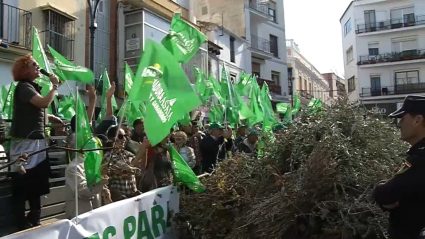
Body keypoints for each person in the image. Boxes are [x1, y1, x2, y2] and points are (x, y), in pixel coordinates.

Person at [9, 54, 64, 230]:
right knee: (24, 184)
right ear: (25, 70)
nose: (38, 67)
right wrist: (55, 86)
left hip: (36, 143)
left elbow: (38, 110)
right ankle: (20, 224)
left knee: (37, 184)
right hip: (26, 143)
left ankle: (35, 219)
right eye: (34, 65)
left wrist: (52, 117)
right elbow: (42, 103)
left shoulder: (31, 87)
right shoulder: (24, 87)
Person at [372, 95, 425, 239]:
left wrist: (379, 188)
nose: (399, 124)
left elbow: (386, 193)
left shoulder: (420, 158)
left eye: (402, 118)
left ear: (417, 120)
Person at [103, 126, 143, 201]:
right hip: (120, 199)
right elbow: (128, 167)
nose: (124, 139)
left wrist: (145, 152)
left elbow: (140, 168)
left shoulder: (126, 153)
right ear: (112, 139)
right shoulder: (109, 156)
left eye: (125, 136)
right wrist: (142, 150)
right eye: (120, 136)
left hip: (133, 197)